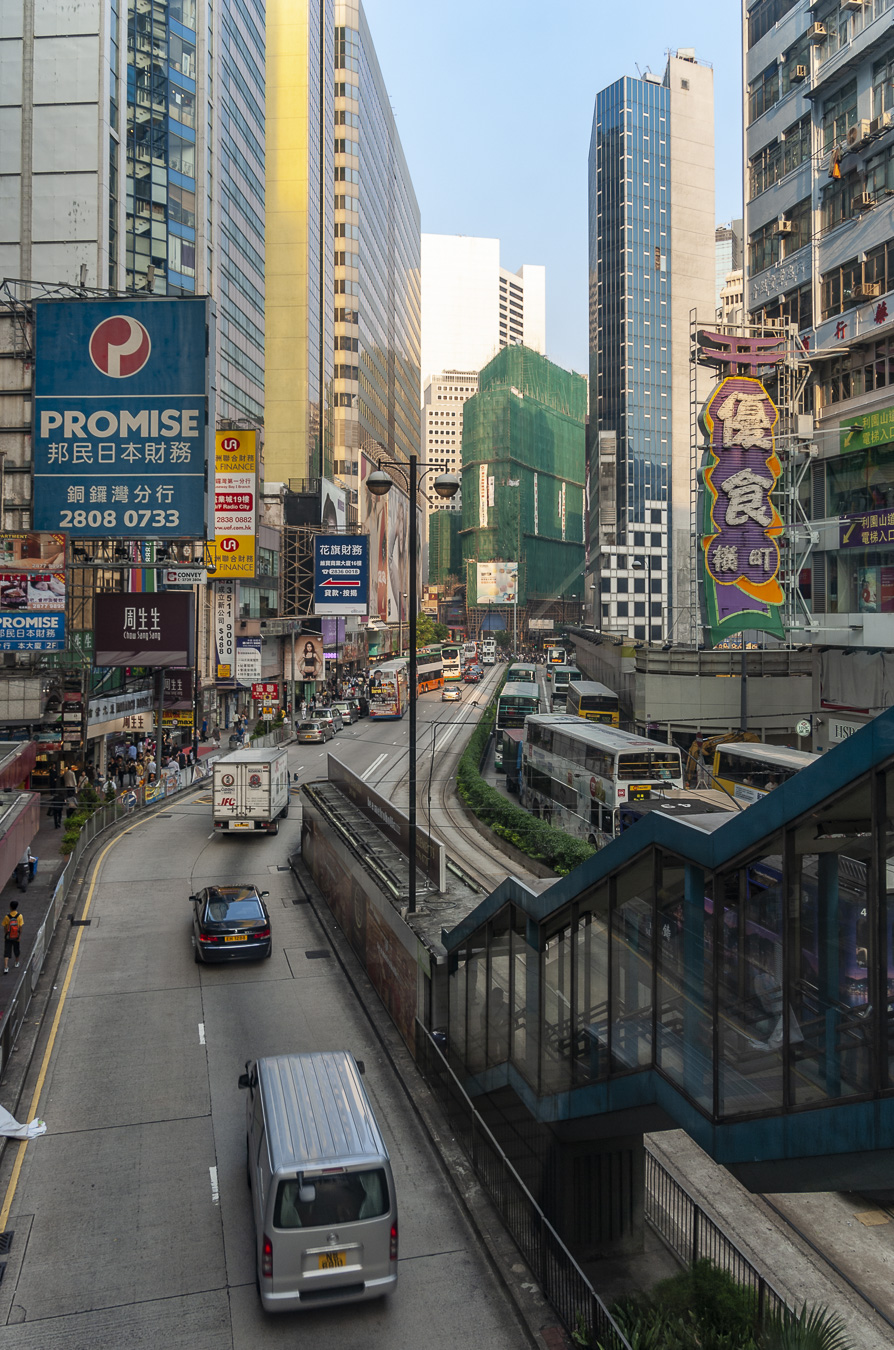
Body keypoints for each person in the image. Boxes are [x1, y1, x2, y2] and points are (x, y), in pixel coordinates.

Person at [3, 900, 24, 972]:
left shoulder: (7, 917)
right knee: (16, 949)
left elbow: (5, 927)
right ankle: (16, 962)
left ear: (10, 907)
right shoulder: (20, 916)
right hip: (16, 936)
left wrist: (6, 934)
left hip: (8, 936)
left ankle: (6, 967)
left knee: (7, 951)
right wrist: (19, 935)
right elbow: (20, 927)